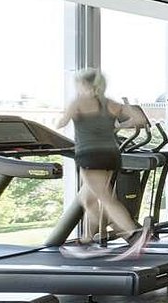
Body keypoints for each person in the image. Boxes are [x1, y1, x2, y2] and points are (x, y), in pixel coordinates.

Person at [53, 68, 152, 260]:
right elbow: (139, 120)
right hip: (111, 156)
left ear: (83, 84)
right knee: (88, 199)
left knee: (105, 199)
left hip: (90, 156)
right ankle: (87, 241)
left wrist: (66, 115)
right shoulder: (111, 104)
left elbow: (60, 123)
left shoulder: (78, 103)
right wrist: (118, 125)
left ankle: (135, 234)